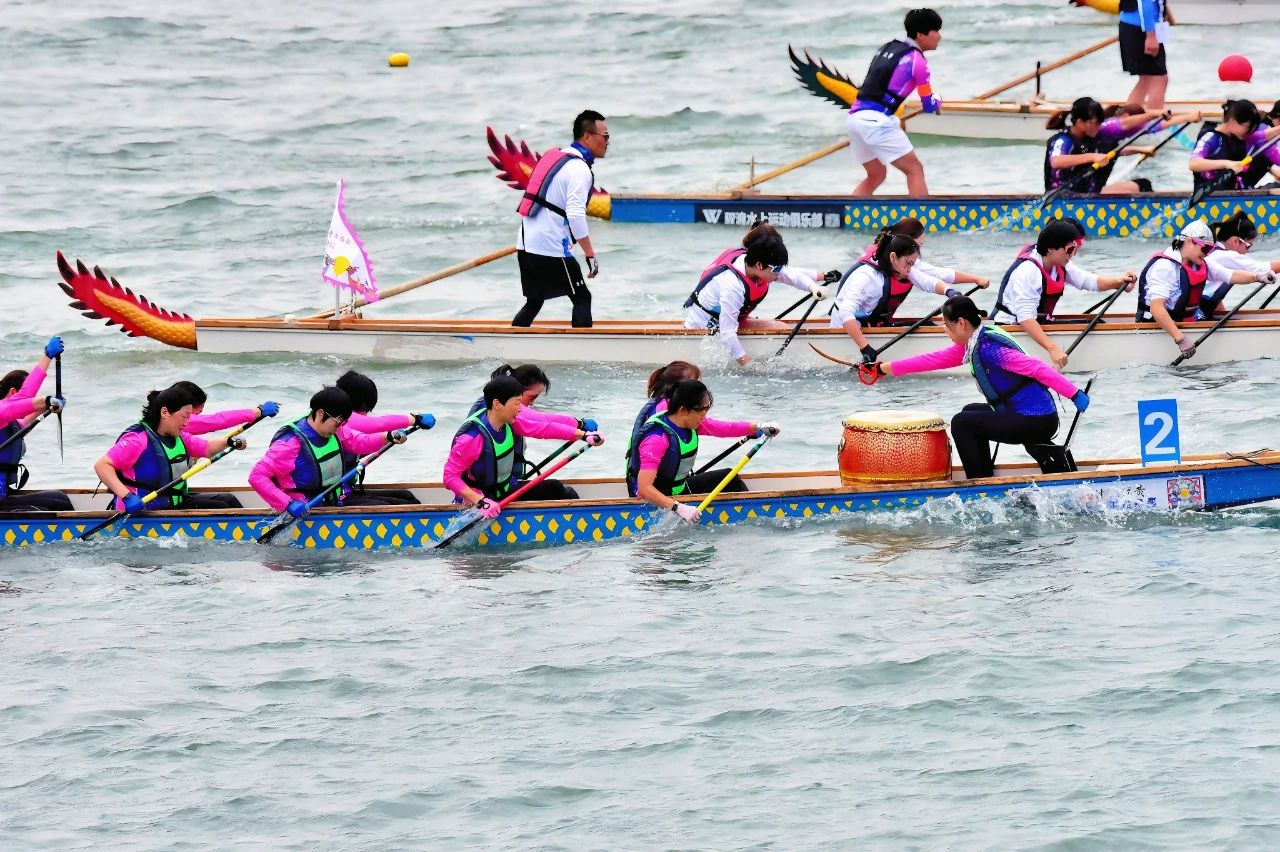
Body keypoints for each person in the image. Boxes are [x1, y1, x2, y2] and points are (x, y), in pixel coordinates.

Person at [864, 296, 1088, 479]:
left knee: (962, 423)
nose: (945, 331)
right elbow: (932, 360)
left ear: (961, 323)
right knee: (969, 412)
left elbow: (1037, 368)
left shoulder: (990, 350)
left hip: (1035, 420)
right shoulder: (977, 342)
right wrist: (884, 368)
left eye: (946, 326)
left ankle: (978, 484)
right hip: (1027, 415)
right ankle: (983, 476)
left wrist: (1074, 394)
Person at [249, 386, 427, 519]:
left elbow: (359, 442)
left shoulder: (335, 429)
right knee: (392, 510)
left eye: (344, 422)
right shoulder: (289, 444)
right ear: (320, 413)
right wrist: (287, 504)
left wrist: (388, 437)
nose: (341, 426)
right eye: (338, 421)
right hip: (305, 510)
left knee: (406, 500)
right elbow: (257, 476)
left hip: (332, 501)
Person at [444, 376, 603, 519]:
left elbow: (543, 428)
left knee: (557, 489)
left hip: (501, 494)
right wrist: (481, 502)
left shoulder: (509, 423)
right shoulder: (471, 438)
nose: (520, 409)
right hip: (476, 506)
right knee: (558, 490)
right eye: (516, 403)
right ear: (497, 404)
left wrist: (584, 435)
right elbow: (450, 477)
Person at [626, 379, 779, 524]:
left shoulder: (689, 423)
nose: (704, 417)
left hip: (679, 491)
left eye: (706, 410)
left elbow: (727, 428)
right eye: (701, 412)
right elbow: (644, 488)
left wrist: (759, 427)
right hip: (657, 501)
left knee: (730, 477)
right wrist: (677, 508)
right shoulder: (657, 438)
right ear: (683, 410)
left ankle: (752, 519)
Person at [992, 220, 1136, 369]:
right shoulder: (1028, 270)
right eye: (1070, 249)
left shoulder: (1059, 263)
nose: (1073, 254)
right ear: (1050, 248)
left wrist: (1119, 282)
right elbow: (1025, 318)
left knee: (1098, 323)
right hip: (1011, 330)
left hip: (1036, 324)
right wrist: (1052, 349)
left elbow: (1088, 281)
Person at [512, 109, 609, 328]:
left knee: (534, 301)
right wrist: (590, 254)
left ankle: (510, 341)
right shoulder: (579, 168)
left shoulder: (560, 156)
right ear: (587, 136)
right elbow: (575, 214)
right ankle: (582, 347)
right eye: (605, 136)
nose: (607, 141)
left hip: (526, 242)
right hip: (549, 246)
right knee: (582, 297)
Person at [95, 386, 247, 513]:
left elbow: (207, 448)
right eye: (184, 416)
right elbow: (102, 465)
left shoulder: (180, 437)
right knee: (223, 507)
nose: (187, 423)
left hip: (171, 504)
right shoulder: (137, 439)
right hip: (140, 511)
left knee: (228, 499)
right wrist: (127, 497)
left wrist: (229, 442)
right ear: (165, 412)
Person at [1135, 219, 1274, 358]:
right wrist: (1180, 339)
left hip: (1184, 323)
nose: (1207, 253)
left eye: (1210, 249)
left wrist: (1258, 277)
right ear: (1190, 242)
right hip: (1155, 326)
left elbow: (1230, 275)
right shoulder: (1165, 267)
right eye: (1205, 248)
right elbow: (1156, 308)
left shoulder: (1201, 263)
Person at [683, 231, 825, 365]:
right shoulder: (733, 286)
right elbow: (727, 333)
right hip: (704, 327)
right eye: (777, 269)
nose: (779, 273)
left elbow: (791, 276)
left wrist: (814, 288)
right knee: (778, 329)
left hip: (727, 320)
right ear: (759, 265)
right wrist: (748, 365)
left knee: (780, 327)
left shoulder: (758, 265)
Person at [846, 8, 943, 196]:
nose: (939, 36)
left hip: (855, 119)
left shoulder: (887, 48)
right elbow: (928, 104)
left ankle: (849, 210)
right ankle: (921, 214)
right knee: (914, 170)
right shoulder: (917, 61)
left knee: (876, 174)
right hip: (876, 122)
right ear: (920, 34)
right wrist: (938, 100)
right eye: (935, 31)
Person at [830, 234, 964, 362]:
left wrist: (950, 292)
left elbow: (928, 281)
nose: (910, 269)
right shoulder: (865, 277)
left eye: (912, 264)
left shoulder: (897, 267)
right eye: (908, 263)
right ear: (893, 257)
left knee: (927, 324)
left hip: (867, 324)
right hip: (845, 328)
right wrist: (865, 347)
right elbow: (845, 313)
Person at [466, 364, 594, 480]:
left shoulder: (496, 402)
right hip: (487, 491)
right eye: (532, 397)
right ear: (517, 389)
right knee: (560, 490)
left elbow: (540, 419)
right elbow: (539, 423)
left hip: (502, 484)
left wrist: (579, 426)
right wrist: (581, 429)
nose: (532, 403)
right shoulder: (498, 408)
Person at [1044, 99, 1195, 194]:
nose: (1099, 126)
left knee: (1142, 185)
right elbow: (1056, 161)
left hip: (1090, 193)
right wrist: (1093, 156)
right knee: (1136, 188)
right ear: (1080, 122)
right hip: (1064, 198)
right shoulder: (1063, 140)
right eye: (1095, 123)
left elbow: (1144, 127)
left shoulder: (1096, 132)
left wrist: (1185, 118)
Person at [334, 369, 434, 504]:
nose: (365, 413)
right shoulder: (339, 418)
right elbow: (377, 424)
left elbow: (368, 439)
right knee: (403, 505)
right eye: (364, 409)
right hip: (334, 497)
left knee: (407, 496)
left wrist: (389, 437)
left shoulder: (340, 422)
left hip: (346, 491)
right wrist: (415, 419)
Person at [0, 336, 72, 512]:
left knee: (60, 498)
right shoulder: (1, 410)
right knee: (55, 505)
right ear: (12, 393)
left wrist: (48, 407)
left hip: (3, 493)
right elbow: (24, 400)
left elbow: (24, 419)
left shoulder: (9, 423)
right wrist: (45, 400)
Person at [855, 218, 989, 288]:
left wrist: (975, 279)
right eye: (919, 245)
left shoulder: (881, 250)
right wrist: (976, 279)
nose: (918, 251)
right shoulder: (902, 262)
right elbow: (940, 275)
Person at [1189, 100, 1270, 192]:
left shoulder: (1237, 137)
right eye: (1248, 127)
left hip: (1234, 191)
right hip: (1210, 194)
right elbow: (1193, 163)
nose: (1250, 131)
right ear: (1232, 120)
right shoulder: (1211, 137)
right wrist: (1227, 164)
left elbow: (1263, 136)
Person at [1118, 0, 1171, 111]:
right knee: (1159, 78)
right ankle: (1154, 118)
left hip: (1135, 26)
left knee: (1147, 78)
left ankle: (1127, 117)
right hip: (1142, 28)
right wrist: (1151, 35)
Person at [170, 381, 280, 434]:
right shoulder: (177, 420)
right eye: (199, 410)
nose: (200, 414)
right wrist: (258, 411)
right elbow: (217, 421)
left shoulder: (164, 411)